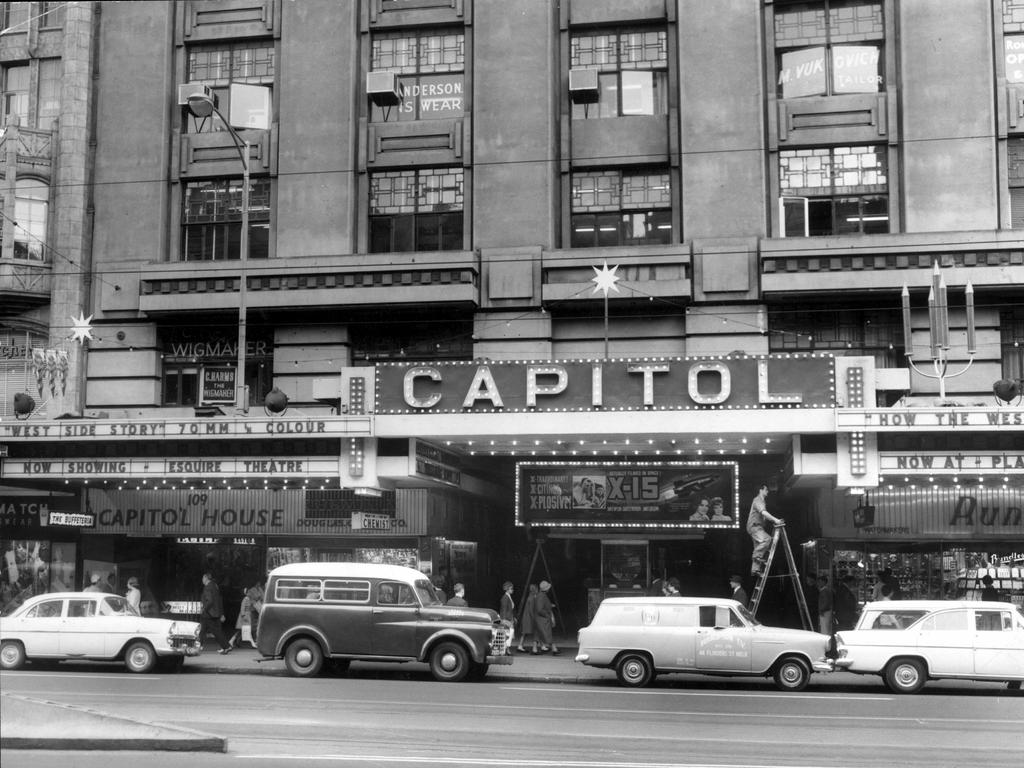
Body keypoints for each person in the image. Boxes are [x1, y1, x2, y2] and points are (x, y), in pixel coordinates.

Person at [746, 483, 783, 575]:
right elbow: (764, 513)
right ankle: (756, 556)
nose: (767, 491)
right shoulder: (758, 500)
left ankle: (755, 570)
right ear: (760, 490)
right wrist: (776, 520)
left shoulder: (761, 501)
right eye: (766, 489)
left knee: (758, 547)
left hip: (757, 527)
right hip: (755, 526)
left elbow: (764, 516)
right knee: (767, 539)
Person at [200, 572, 232, 654]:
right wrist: (221, 613)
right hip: (215, 612)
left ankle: (226, 646)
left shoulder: (207, 587)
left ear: (206, 578)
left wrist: (204, 608)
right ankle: (226, 646)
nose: (202, 580)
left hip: (208, 613)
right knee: (208, 630)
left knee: (206, 630)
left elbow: (210, 601)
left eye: (203, 578)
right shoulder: (215, 586)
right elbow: (219, 600)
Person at [533, 580, 559, 655]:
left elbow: (542, 605)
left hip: (539, 618)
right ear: (546, 589)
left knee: (538, 634)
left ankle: (534, 649)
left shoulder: (541, 595)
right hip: (542, 619)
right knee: (547, 633)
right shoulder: (541, 596)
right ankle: (554, 648)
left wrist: (550, 605)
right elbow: (540, 609)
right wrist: (547, 615)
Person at [517, 583, 538, 653]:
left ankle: (520, 645)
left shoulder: (530, 597)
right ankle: (536, 647)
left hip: (526, 617)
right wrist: (534, 619)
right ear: (534, 590)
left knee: (524, 633)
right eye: (536, 589)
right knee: (536, 632)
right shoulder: (532, 598)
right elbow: (531, 610)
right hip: (529, 618)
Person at [246, 575, 265, 645]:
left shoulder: (260, 589)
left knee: (258, 624)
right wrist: (259, 597)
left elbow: (263, 596)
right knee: (253, 624)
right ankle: (253, 638)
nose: (259, 584)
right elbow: (252, 598)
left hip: (259, 608)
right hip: (253, 609)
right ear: (256, 583)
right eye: (258, 583)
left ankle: (256, 638)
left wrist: (260, 597)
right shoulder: (251, 590)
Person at [498, 581, 515, 653]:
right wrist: (504, 620)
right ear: (508, 589)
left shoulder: (508, 596)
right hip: (506, 619)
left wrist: (513, 618)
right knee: (508, 634)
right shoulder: (505, 598)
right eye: (511, 589)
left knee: (508, 634)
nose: (512, 590)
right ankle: (506, 649)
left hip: (509, 618)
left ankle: (506, 649)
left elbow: (509, 609)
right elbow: (504, 609)